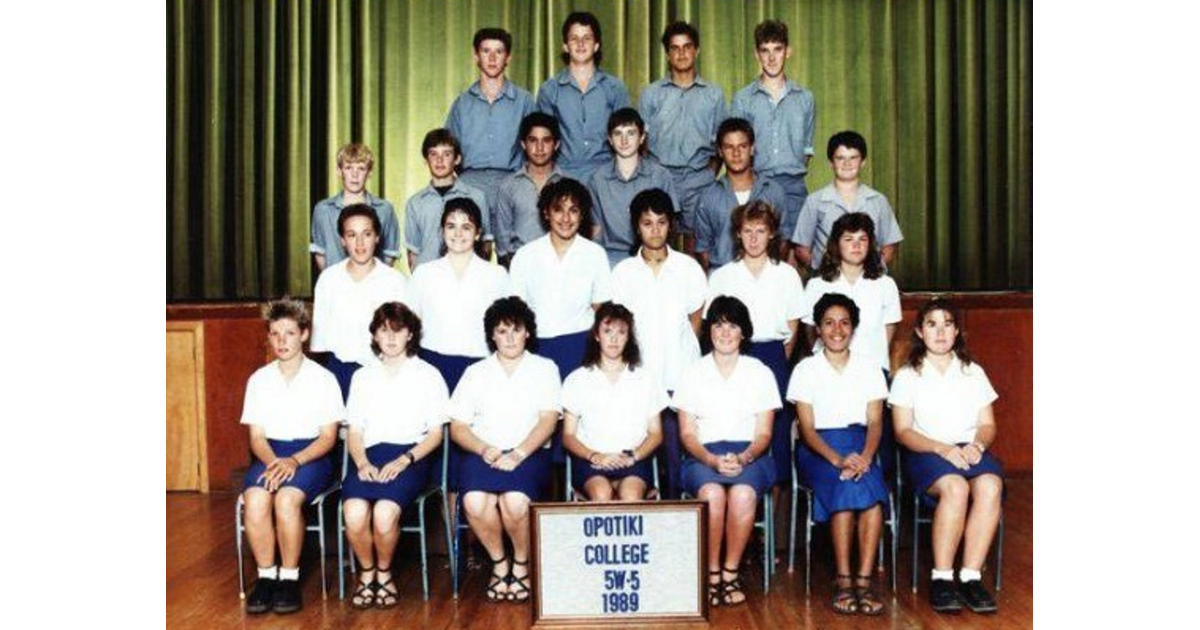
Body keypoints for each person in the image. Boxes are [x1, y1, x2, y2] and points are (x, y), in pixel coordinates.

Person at [888, 298, 1003, 614]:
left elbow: (988, 424)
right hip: (927, 451)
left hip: (969, 448)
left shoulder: (973, 372)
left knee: (991, 484)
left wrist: (976, 446)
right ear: (920, 332)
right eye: (932, 324)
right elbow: (903, 432)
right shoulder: (908, 375)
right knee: (956, 487)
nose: (940, 332)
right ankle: (941, 578)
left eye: (947, 324)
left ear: (957, 332)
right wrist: (943, 449)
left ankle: (970, 577)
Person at [449, 296, 562, 604]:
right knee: (473, 501)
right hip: (484, 451)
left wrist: (519, 453)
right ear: (491, 336)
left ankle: (522, 563)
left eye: (516, 329)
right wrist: (484, 449)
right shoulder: (476, 372)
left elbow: (548, 420)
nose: (510, 337)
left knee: (514, 501)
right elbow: (458, 426)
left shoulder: (544, 368)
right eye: (502, 331)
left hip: (529, 453)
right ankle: (500, 563)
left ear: (528, 332)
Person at [706, 200, 804, 550]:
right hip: (734, 355)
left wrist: (771, 364)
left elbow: (792, 330)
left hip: (772, 356)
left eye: (761, 231)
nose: (753, 238)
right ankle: (737, 536)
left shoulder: (787, 274)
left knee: (774, 441)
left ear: (772, 233)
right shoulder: (723, 275)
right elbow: (714, 327)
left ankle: (769, 538)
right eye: (747, 231)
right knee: (735, 431)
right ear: (737, 234)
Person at [672, 295, 780, 607]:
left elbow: (764, 433)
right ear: (709, 331)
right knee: (713, 495)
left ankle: (731, 571)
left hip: (751, 455)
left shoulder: (759, 372)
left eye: (733, 325)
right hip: (702, 455)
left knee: (743, 495)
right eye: (718, 325)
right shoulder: (693, 373)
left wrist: (744, 457)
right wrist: (710, 460)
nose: (725, 332)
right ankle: (711, 573)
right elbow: (687, 433)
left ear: (744, 332)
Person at [787, 293, 890, 616]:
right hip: (820, 449)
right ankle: (843, 581)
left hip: (862, 446)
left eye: (844, 323)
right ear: (818, 328)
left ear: (854, 328)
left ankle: (864, 580)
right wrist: (837, 460)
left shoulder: (870, 367)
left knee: (872, 496)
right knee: (845, 488)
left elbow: (875, 422)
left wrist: (866, 457)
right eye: (829, 323)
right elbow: (806, 429)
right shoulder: (805, 369)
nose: (837, 329)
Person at [341, 302, 449, 610]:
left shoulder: (429, 375)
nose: (390, 338)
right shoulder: (362, 376)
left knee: (385, 515)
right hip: (369, 455)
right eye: (383, 330)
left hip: (410, 456)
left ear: (410, 334)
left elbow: (435, 434)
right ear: (374, 335)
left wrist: (405, 460)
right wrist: (361, 463)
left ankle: (384, 574)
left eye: (397, 330)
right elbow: (356, 431)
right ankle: (366, 574)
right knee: (354, 513)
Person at [239, 298, 342, 615]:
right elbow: (256, 436)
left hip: (310, 456)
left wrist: (294, 461)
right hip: (270, 454)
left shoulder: (323, 379)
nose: (282, 341)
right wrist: (274, 463)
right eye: (275, 334)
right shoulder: (259, 379)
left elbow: (328, 436)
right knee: (256, 498)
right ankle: (267, 576)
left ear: (305, 334)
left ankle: (289, 578)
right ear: (268, 337)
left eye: (289, 333)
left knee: (286, 499)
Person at [408, 197, 510, 495]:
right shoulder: (424, 274)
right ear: (441, 231)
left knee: (474, 442)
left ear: (478, 233)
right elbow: (412, 328)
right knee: (439, 447)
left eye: (467, 227)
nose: (458, 233)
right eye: (451, 226)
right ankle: (446, 528)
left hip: (479, 368)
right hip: (434, 366)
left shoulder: (496, 275)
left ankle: (474, 524)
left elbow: (505, 327)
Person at [609, 189, 707, 499]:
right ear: (636, 227)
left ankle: (681, 518)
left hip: (681, 376)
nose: (655, 230)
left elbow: (696, 318)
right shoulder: (623, 272)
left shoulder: (688, 268)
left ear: (670, 226)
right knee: (645, 458)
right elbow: (620, 327)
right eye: (647, 223)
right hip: (641, 377)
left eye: (661, 222)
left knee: (679, 456)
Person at [800, 212, 902, 478]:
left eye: (862, 239)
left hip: (872, 373)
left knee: (878, 447)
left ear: (871, 245)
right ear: (836, 244)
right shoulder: (817, 284)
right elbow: (812, 331)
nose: (856, 245)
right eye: (849, 239)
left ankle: (878, 502)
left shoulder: (884, 284)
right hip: (829, 373)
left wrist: (869, 363)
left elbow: (889, 330)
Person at [561, 302, 667, 501]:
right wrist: (595, 456)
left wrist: (633, 457)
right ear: (596, 335)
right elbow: (568, 436)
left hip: (633, 460)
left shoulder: (646, 379)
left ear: (629, 337)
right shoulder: (577, 379)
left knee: (631, 496)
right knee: (601, 494)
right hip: (591, 460)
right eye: (607, 331)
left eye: (621, 332)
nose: (614, 338)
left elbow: (656, 434)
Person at [731, 20, 816, 257]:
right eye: (765, 50)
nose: (771, 57)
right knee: (758, 252)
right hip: (759, 184)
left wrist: (789, 172)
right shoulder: (743, 99)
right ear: (756, 54)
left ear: (788, 51)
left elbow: (806, 149)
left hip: (794, 186)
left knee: (796, 255)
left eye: (777, 49)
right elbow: (737, 147)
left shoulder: (805, 99)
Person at [638, 20, 725, 248]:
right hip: (661, 178)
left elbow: (721, 145)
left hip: (699, 179)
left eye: (687, 46)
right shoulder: (652, 94)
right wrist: (654, 173)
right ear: (667, 54)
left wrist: (707, 175)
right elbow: (642, 142)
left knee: (697, 248)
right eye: (675, 48)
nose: (681, 53)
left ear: (696, 50)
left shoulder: (713, 95)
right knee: (657, 243)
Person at [311, 204, 409, 399]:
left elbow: (404, 338)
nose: (360, 243)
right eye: (351, 235)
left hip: (381, 373)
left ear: (377, 237)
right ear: (342, 240)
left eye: (367, 234)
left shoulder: (395, 281)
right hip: (338, 373)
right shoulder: (329, 279)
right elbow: (319, 343)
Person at [445, 27, 537, 232]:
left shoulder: (524, 101)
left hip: (512, 181)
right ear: (476, 56)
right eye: (486, 51)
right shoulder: (462, 103)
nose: (493, 58)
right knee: (470, 252)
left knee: (513, 250)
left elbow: (537, 146)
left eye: (499, 51)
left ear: (508, 57)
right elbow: (449, 148)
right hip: (471, 183)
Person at [536, 11, 631, 182]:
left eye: (587, 38)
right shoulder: (549, 90)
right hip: (562, 175)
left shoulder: (615, 88)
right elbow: (543, 140)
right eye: (574, 38)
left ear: (596, 45)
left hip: (607, 175)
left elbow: (627, 136)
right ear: (565, 45)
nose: (580, 44)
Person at [792, 130, 903, 271]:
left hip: (868, 282)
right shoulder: (815, 201)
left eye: (853, 158)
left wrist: (871, 272)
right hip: (828, 283)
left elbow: (889, 245)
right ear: (831, 163)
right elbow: (801, 248)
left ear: (863, 162)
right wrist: (824, 273)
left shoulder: (878, 201)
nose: (847, 163)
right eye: (840, 158)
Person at [587, 107, 679, 267]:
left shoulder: (660, 176)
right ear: (609, 139)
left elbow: (670, 226)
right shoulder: (597, 179)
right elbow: (596, 230)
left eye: (631, 133)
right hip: (611, 259)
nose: (624, 141)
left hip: (652, 257)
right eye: (617, 134)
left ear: (642, 137)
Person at [694, 117, 789, 272]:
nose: (736, 153)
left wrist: (768, 273)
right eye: (729, 147)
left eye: (742, 146)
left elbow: (783, 239)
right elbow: (703, 249)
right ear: (719, 151)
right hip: (723, 281)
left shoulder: (773, 191)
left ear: (752, 148)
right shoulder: (708, 197)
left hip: (764, 280)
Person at [404, 129, 490, 269]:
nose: (439, 160)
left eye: (447, 154)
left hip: (467, 278)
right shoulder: (415, 203)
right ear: (426, 160)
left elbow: (486, 246)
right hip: (429, 281)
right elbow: (413, 253)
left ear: (457, 159)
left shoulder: (476, 197)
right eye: (433, 154)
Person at [310, 143, 402, 272]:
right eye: (348, 168)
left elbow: (389, 255)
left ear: (369, 173)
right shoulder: (323, 210)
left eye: (361, 168)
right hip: (336, 286)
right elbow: (320, 254)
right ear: (339, 171)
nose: (354, 175)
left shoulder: (384, 209)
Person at [493, 112, 565, 265]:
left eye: (546, 141)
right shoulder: (508, 186)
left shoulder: (568, 184)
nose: (539, 148)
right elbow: (502, 242)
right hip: (520, 264)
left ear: (556, 144)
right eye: (533, 140)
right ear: (524, 144)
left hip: (561, 264)